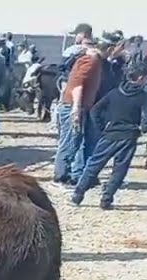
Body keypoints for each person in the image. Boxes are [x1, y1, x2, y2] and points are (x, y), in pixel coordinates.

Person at [71, 62, 147, 209]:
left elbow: (95, 110)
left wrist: (101, 127)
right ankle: (106, 199)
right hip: (128, 136)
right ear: (141, 78)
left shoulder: (114, 92)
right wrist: (143, 129)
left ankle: (78, 194)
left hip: (109, 135)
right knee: (119, 169)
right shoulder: (144, 96)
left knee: (94, 164)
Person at [52, 23, 102, 186]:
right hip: (75, 102)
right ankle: (61, 175)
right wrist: (76, 108)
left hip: (74, 100)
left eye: (77, 35)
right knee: (71, 140)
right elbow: (78, 84)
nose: (75, 37)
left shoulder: (77, 53)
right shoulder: (88, 56)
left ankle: (66, 173)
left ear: (83, 35)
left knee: (73, 139)